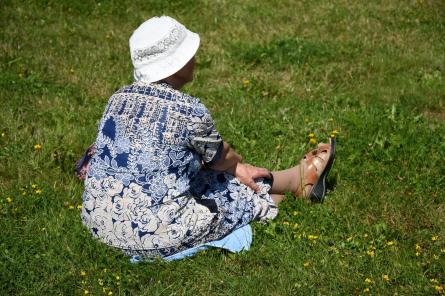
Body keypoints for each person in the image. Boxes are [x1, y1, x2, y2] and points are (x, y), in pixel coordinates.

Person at [77, 16, 335, 261]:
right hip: (151, 235)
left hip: (99, 225)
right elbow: (224, 158)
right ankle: (296, 182)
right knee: (229, 185)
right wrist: (238, 166)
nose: (195, 58)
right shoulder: (187, 110)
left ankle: (287, 185)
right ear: (176, 65)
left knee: (206, 175)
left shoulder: (117, 99)